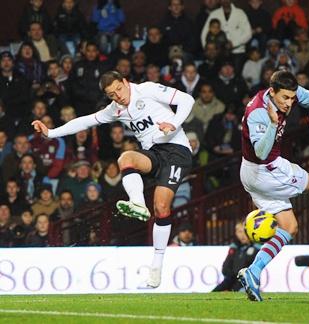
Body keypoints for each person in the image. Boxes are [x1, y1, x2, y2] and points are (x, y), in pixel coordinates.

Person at [32, 70, 194, 288]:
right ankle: (137, 202)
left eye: (119, 89)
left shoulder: (147, 89)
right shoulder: (115, 109)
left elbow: (187, 99)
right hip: (153, 154)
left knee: (161, 207)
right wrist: (51, 133)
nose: (118, 95)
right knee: (126, 158)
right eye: (112, 94)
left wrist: (173, 123)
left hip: (177, 151)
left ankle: (156, 268)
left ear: (126, 82)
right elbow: (86, 121)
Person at [237, 71, 309, 302]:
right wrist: (272, 124)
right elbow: (261, 151)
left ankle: (253, 271)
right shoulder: (258, 111)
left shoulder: (291, 91)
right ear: (272, 92)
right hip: (264, 168)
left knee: (289, 227)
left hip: (253, 171)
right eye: (284, 99)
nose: (289, 103)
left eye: (291, 98)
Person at [213, 222, 259, 291]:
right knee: (215, 292)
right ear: (236, 233)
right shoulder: (234, 247)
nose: (243, 235)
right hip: (231, 280)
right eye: (240, 232)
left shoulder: (256, 248)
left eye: (245, 232)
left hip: (247, 282)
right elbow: (225, 267)